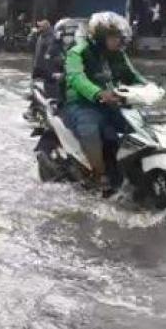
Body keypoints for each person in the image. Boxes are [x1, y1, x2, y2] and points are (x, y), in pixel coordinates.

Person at [64, 11, 145, 195]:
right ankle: (98, 174)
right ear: (100, 37)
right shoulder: (77, 53)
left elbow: (132, 76)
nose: (118, 41)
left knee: (135, 126)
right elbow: (77, 78)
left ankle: (129, 169)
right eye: (114, 37)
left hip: (109, 101)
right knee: (90, 129)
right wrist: (98, 93)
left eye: (119, 37)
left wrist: (150, 89)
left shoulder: (118, 55)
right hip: (82, 104)